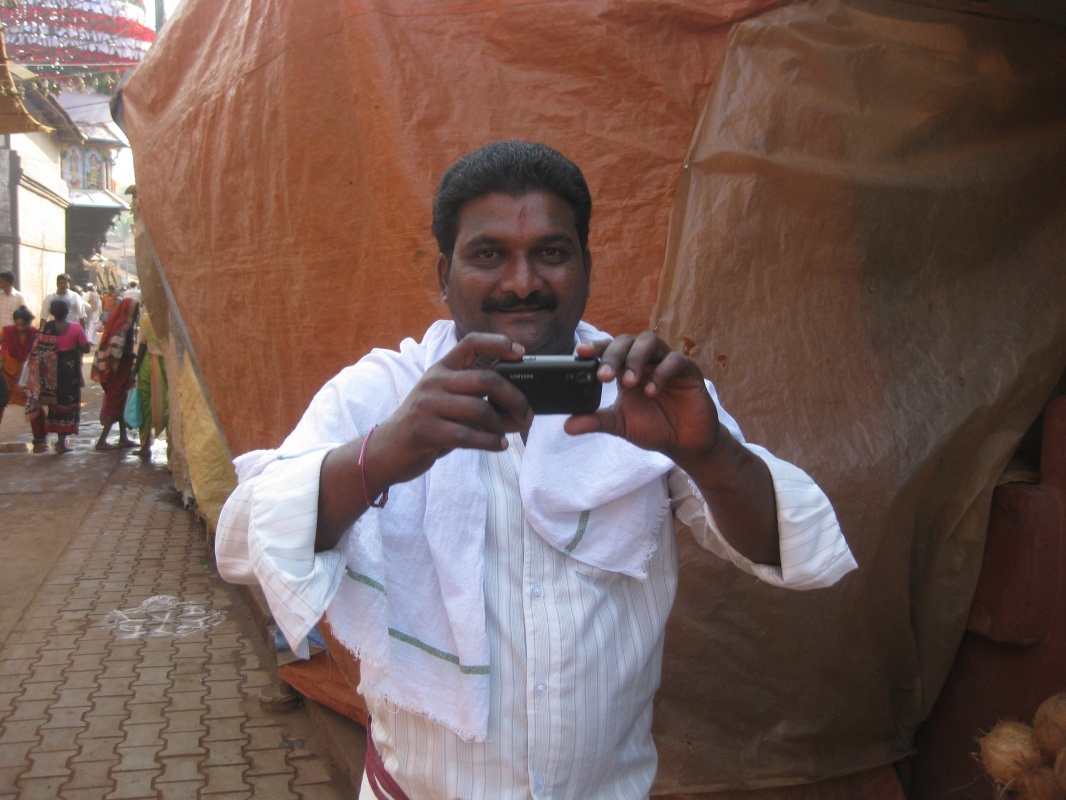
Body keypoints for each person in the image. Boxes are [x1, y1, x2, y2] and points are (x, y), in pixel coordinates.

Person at [215, 141, 858, 800]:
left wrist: (707, 451)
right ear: (444, 274)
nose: (522, 283)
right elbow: (243, 542)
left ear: (586, 267)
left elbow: (787, 547)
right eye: (489, 255)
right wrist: (381, 455)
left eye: (551, 253)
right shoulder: (383, 393)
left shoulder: (643, 392)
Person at [24, 298, 90, 453]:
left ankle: (54, 439)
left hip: (49, 377)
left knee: (54, 407)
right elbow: (86, 348)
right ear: (67, 312)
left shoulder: (44, 330)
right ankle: (61, 442)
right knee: (67, 406)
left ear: (52, 312)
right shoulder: (75, 328)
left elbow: (34, 353)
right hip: (69, 374)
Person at [91, 296, 140, 450]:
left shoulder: (123, 324)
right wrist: (134, 356)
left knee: (121, 402)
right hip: (117, 371)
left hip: (121, 370)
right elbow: (116, 351)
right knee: (115, 404)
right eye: (135, 311)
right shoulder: (122, 327)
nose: (137, 314)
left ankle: (123, 438)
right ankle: (102, 440)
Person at [0, 306, 47, 445]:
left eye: (23, 325)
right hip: (7, 374)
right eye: (18, 325)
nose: (20, 328)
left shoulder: (34, 333)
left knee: (34, 403)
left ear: (29, 323)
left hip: (27, 376)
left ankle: (40, 435)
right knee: (1, 403)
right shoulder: (7, 331)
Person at [131, 306, 168, 456]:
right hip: (167, 364)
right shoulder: (169, 316)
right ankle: (172, 453)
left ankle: (145, 445)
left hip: (149, 363)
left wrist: (135, 369)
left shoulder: (147, 318)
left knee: (145, 403)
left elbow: (143, 344)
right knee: (170, 405)